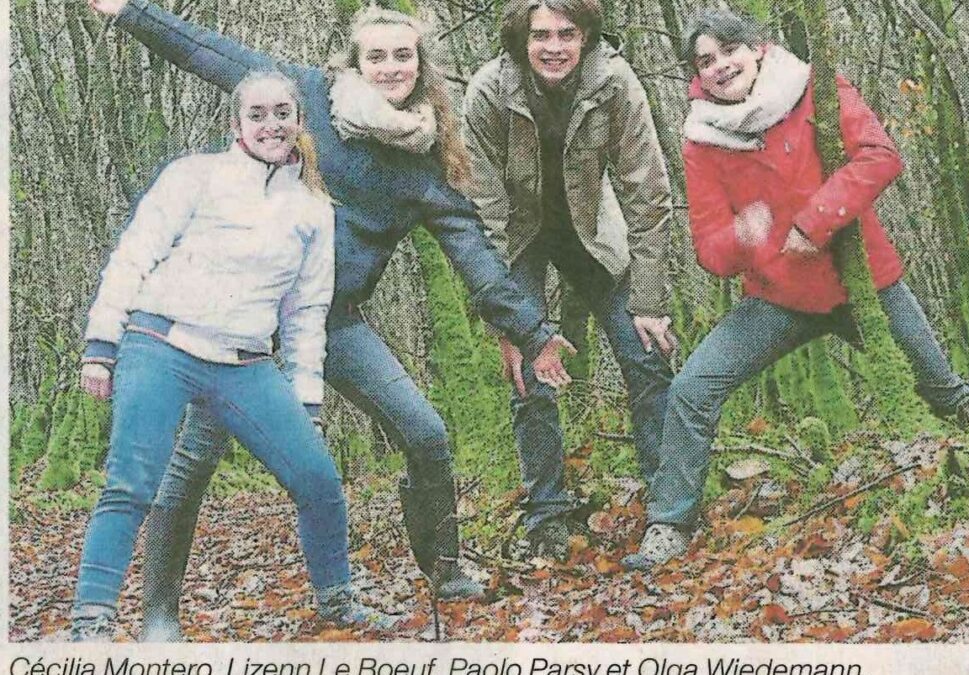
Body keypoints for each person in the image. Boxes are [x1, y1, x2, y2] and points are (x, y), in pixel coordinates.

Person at [87, 0, 573, 642]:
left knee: (425, 432)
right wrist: (131, 13)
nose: (392, 67)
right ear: (354, 62)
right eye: (377, 55)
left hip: (334, 324)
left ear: (423, 66)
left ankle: (445, 571)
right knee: (195, 457)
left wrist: (533, 331)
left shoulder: (425, 164)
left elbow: (476, 256)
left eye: (405, 55)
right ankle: (159, 614)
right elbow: (210, 53)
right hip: (244, 323)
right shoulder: (307, 97)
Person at [621, 7, 969, 571]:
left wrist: (815, 221)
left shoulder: (814, 88)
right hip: (778, 298)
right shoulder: (701, 139)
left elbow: (881, 156)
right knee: (692, 389)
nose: (719, 68)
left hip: (863, 285)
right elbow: (711, 250)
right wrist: (745, 235)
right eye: (704, 62)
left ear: (756, 47)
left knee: (941, 390)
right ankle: (668, 525)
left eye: (728, 52)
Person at [73, 70, 386, 640]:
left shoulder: (313, 207)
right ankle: (90, 621)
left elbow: (305, 311)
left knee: (318, 480)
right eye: (258, 114)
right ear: (236, 124)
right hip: (161, 343)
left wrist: (306, 396)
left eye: (283, 112)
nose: (272, 125)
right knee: (132, 481)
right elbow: (133, 254)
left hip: (243, 363)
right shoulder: (195, 175)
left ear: (298, 120)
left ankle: (339, 603)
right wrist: (101, 345)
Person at [462, 0, 675, 560]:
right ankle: (547, 516)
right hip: (518, 235)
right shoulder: (488, 91)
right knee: (528, 372)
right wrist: (508, 319)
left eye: (566, 34)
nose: (553, 47)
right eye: (540, 36)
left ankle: (668, 505)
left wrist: (649, 299)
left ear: (586, 37)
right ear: (520, 40)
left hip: (591, 230)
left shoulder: (615, 83)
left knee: (645, 351)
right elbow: (482, 214)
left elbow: (647, 195)